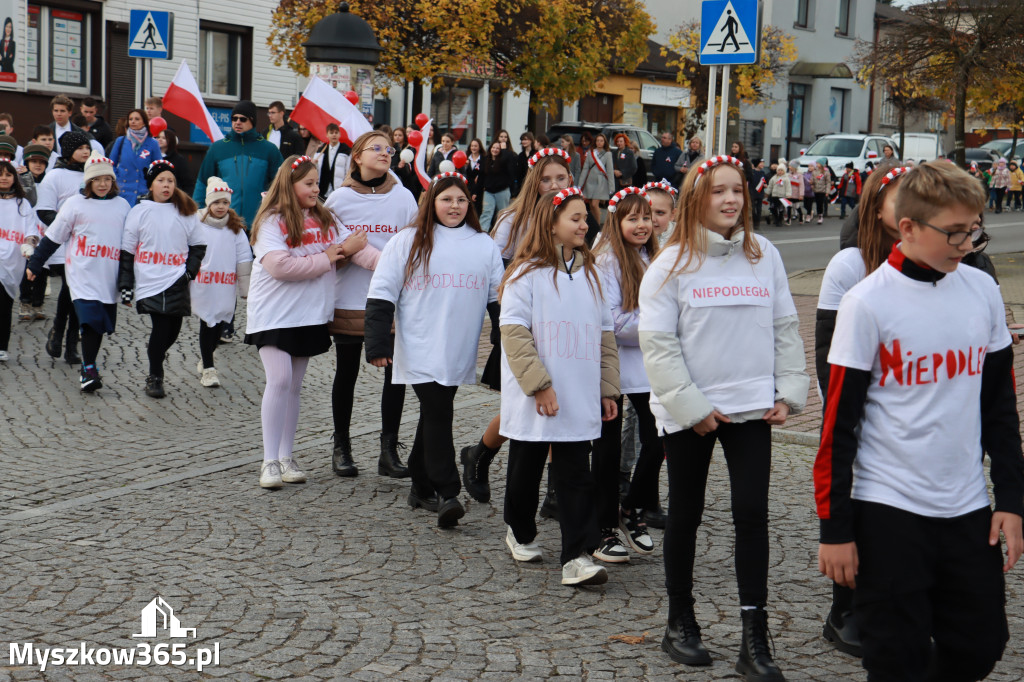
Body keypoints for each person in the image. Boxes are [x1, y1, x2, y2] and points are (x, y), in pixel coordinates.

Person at [814, 160, 1023, 682]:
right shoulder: (866, 303)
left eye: (973, 230)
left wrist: (1012, 502)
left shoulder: (982, 292)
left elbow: (1000, 408)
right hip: (889, 510)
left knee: (981, 643)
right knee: (894, 655)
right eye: (954, 232)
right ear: (907, 228)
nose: (966, 243)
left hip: (967, 507)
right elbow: (837, 426)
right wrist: (835, 529)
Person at [639, 155, 807, 679]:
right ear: (697, 198)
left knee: (751, 515)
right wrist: (692, 407)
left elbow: (784, 326)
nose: (731, 200)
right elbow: (659, 346)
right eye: (718, 192)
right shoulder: (670, 263)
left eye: (738, 190)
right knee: (685, 513)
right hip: (692, 412)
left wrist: (789, 389)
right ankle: (680, 620)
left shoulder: (766, 255)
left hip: (752, 407)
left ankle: (754, 637)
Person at [364, 172, 504, 527]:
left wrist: (504, 340)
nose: (454, 206)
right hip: (420, 343)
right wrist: (378, 343)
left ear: (469, 203)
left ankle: (420, 481)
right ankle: (447, 490)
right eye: (446, 199)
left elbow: (497, 299)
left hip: (458, 346)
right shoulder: (408, 240)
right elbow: (381, 292)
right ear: (431, 202)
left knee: (433, 412)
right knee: (439, 410)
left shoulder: (483, 244)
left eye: (460, 199)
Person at [498, 186, 619, 586]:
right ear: (552, 223)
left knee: (574, 473)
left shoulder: (593, 274)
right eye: (576, 218)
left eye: (586, 217)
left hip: (578, 393)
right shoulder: (525, 273)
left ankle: (577, 556)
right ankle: (519, 528)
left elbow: (604, 336)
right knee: (525, 469)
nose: (585, 224)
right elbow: (514, 333)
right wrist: (539, 385)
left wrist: (607, 389)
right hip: (539, 395)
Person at [814, 163, 909, 659]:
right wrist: (847, 414)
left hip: (909, 411)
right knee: (853, 504)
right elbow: (827, 351)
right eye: (903, 199)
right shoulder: (850, 264)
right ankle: (842, 611)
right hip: (860, 408)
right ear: (876, 208)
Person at [460, 148, 578, 510]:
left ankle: (555, 491)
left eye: (560, 178)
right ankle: (480, 452)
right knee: (522, 404)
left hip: (565, 324)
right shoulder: (513, 219)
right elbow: (495, 269)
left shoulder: (576, 215)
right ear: (533, 181)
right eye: (546, 179)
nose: (553, 185)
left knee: (565, 403)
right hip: (524, 323)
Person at [244, 155, 366, 489]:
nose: (316, 189)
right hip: (273, 313)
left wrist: (396, 265)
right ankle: (269, 461)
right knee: (280, 379)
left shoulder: (324, 217)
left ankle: (286, 456)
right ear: (290, 184)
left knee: (294, 386)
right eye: (309, 184)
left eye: (316, 183)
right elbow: (280, 267)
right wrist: (331, 255)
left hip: (310, 314)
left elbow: (356, 251)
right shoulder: (271, 221)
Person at [324, 131, 416, 479]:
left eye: (389, 149)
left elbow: (416, 242)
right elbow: (334, 245)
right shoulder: (339, 200)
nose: (385, 153)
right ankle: (341, 446)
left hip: (392, 300)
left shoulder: (405, 198)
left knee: (395, 376)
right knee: (346, 372)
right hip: (350, 296)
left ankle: (388, 450)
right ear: (357, 157)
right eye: (375, 148)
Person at [592, 186, 662, 564]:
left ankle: (632, 508)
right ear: (616, 221)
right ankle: (603, 526)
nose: (642, 225)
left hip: (651, 365)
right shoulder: (606, 260)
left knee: (658, 439)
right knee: (607, 448)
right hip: (613, 364)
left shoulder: (657, 256)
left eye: (646, 217)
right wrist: (660, 324)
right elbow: (613, 321)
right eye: (632, 218)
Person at [26, 152, 130, 390]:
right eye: (97, 180)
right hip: (81, 274)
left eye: (107, 179)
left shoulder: (122, 206)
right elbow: (53, 237)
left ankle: (88, 365)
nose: (102, 184)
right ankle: (89, 369)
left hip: (108, 275)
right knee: (90, 320)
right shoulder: (75, 204)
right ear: (88, 182)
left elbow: (131, 244)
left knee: (101, 324)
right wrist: (34, 263)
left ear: (112, 182)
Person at [117, 160, 207, 399]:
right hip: (149, 279)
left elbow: (198, 245)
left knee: (173, 331)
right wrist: (126, 285)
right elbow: (127, 251)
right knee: (161, 327)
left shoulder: (185, 210)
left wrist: (189, 272)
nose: (166, 185)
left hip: (177, 278)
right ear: (151, 184)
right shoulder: (139, 212)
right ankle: (155, 376)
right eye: (161, 181)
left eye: (170, 181)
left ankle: (155, 354)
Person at [35, 131, 92, 365]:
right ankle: (61, 332)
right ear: (68, 151)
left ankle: (68, 339)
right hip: (63, 242)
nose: (85, 151)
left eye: (87, 147)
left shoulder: (92, 174)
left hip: (85, 243)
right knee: (70, 288)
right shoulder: (55, 176)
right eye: (80, 148)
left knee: (74, 291)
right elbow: (44, 210)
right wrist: (65, 227)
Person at [190, 178, 253, 388]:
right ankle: (208, 369)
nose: (220, 207)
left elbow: (244, 257)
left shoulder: (235, 228)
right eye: (216, 202)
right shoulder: (197, 224)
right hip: (204, 284)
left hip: (225, 285)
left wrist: (245, 288)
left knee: (220, 326)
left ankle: (206, 355)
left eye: (225, 203)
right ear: (209, 203)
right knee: (207, 322)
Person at [192, 100, 284, 228]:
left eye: (243, 119)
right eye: (234, 118)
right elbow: (202, 183)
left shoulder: (269, 149)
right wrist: (197, 214)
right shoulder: (217, 148)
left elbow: (282, 185)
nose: (237, 122)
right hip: (224, 223)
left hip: (259, 224)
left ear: (252, 121)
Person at [0, 148, 39, 363]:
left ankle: (2, 346)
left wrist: (28, 244)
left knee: (4, 306)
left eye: (8, 174)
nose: (3, 179)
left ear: (14, 178)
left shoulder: (22, 204)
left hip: (11, 262)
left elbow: (31, 231)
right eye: (0, 174)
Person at [108, 109, 163, 207]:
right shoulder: (121, 141)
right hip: (122, 190)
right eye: (130, 119)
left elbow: (158, 168)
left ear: (144, 122)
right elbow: (111, 164)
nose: (133, 121)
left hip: (142, 191)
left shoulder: (153, 143)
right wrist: (117, 180)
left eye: (137, 119)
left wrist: (148, 183)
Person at [480, 140, 515, 232]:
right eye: (493, 147)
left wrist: (504, 150)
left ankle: (503, 232)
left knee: (503, 213)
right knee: (486, 212)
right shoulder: (486, 160)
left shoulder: (504, 160)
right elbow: (481, 176)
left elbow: (509, 159)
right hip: (488, 191)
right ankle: (482, 232)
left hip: (502, 191)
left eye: (497, 148)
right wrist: (476, 192)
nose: (495, 150)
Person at [581, 133, 613, 222]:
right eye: (598, 140)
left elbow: (610, 171)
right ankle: (594, 225)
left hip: (601, 181)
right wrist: (580, 184)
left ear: (604, 142)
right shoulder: (590, 153)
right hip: (590, 180)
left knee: (595, 204)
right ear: (595, 142)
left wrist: (611, 187)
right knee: (591, 205)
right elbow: (585, 169)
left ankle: (598, 227)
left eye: (601, 141)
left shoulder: (608, 154)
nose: (599, 142)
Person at [155, 128, 195, 197]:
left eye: (164, 138)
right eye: (158, 137)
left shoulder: (179, 159)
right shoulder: (152, 157)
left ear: (171, 141)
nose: (160, 140)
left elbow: (187, 183)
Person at [315, 123, 349, 200]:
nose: (334, 135)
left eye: (336, 133)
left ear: (339, 134)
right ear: (327, 135)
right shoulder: (320, 150)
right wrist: (315, 163)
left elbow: (348, 170)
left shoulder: (346, 150)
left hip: (338, 188)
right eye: (331, 133)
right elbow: (316, 170)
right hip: (323, 188)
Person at [766, 159, 791, 227]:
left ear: (784, 171)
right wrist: (767, 192)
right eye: (779, 170)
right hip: (774, 195)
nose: (780, 172)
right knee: (773, 208)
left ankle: (779, 220)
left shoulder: (786, 178)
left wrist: (788, 194)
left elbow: (788, 187)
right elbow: (770, 186)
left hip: (782, 196)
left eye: (781, 170)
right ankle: (776, 218)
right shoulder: (774, 178)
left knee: (781, 209)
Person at [464, 138, 484, 214]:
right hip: (468, 187)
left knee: (477, 210)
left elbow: (484, 173)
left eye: (476, 146)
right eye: (472, 146)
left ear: (479, 147)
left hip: (479, 188)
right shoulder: (466, 158)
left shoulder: (483, 159)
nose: (473, 148)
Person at [811, 158, 831, 225]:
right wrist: (812, 183)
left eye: (818, 163)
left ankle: (820, 216)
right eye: (816, 163)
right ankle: (819, 214)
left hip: (823, 190)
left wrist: (827, 191)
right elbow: (813, 179)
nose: (817, 164)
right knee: (817, 204)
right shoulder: (814, 171)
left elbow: (828, 182)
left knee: (820, 203)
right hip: (816, 190)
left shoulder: (826, 171)